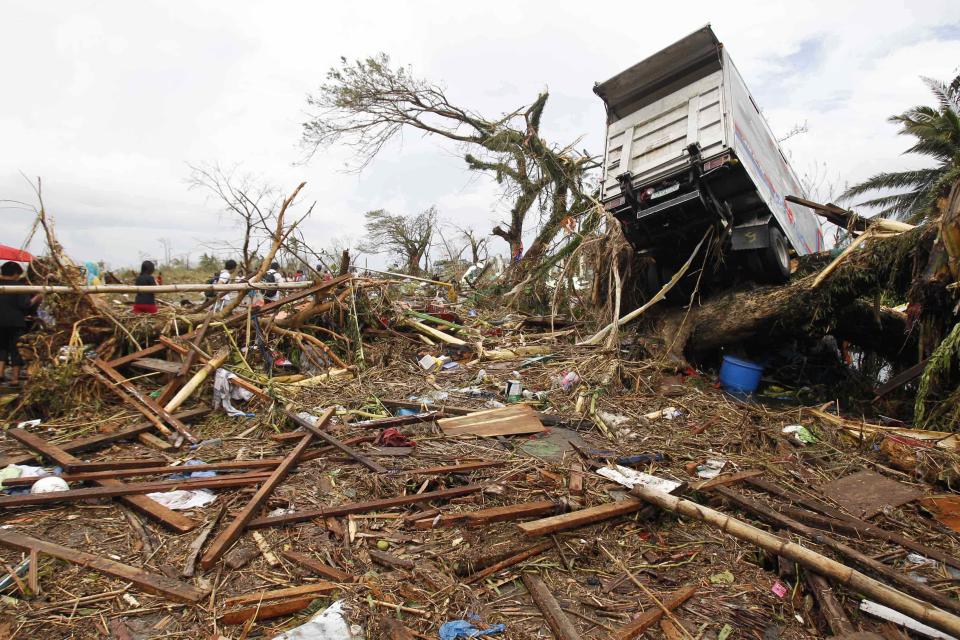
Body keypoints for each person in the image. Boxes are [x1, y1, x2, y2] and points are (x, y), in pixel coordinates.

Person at [0, 262, 35, 385]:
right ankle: (14, 379)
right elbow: (25, 305)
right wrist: (38, 297)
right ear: (15, 273)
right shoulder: (19, 287)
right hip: (15, 322)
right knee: (16, 349)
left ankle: (0, 373)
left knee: (1, 347)